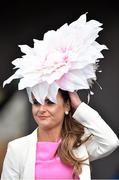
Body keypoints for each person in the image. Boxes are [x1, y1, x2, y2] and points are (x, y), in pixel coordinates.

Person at [1, 13, 119, 180]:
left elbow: (111, 142)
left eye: (49, 102)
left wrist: (78, 105)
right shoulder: (17, 149)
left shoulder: (78, 146)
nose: (41, 109)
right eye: (36, 103)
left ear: (66, 106)